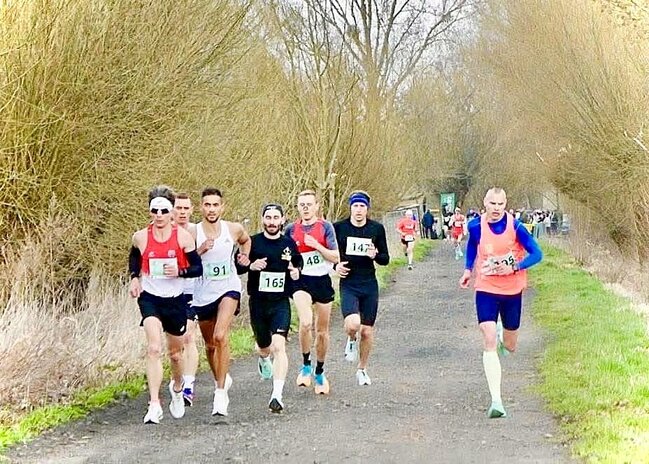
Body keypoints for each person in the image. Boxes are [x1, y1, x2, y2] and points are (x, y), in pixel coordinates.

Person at [459, 187, 543, 419]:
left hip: (512, 290)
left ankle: (501, 334)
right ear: (485, 203)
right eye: (492, 203)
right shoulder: (475, 226)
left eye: (500, 204)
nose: (496, 208)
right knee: (488, 339)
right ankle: (496, 400)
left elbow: (537, 254)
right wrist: (467, 270)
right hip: (486, 287)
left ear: (505, 205)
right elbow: (472, 246)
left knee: (510, 345)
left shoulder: (516, 227)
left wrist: (514, 267)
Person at [129, 186, 202, 424]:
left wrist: (179, 271)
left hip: (175, 300)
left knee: (175, 355)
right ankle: (154, 405)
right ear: (149, 211)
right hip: (150, 298)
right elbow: (134, 256)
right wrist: (134, 278)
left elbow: (197, 268)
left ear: (171, 212)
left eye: (163, 211)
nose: (159, 215)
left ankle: (177, 388)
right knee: (153, 348)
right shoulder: (140, 236)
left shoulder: (183, 237)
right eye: (155, 210)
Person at [191, 187, 251, 417]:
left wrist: (244, 256)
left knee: (220, 336)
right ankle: (221, 378)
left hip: (228, 288)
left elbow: (245, 240)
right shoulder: (192, 231)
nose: (211, 209)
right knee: (209, 345)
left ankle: (220, 393)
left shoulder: (233, 229)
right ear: (201, 207)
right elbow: (184, 259)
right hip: (203, 293)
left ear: (222, 207)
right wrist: (200, 250)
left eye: (215, 205)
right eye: (207, 205)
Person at [237, 203, 302, 413]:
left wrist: (296, 271)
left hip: (280, 303)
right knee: (264, 347)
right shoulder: (252, 242)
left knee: (279, 346)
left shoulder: (288, 244)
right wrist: (250, 265)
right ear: (263, 219)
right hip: (258, 302)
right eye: (268, 218)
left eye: (276, 218)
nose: (272, 222)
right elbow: (237, 266)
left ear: (282, 220)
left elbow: (298, 263)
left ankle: (277, 395)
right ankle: (263, 358)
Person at [284, 190, 340, 395]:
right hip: (301, 281)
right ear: (298, 207)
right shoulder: (291, 230)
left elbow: (335, 257)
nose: (305, 208)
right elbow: (283, 256)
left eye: (309, 204)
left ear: (317, 206)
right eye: (302, 205)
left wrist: (317, 246)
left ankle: (320, 371)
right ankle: (306, 365)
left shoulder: (325, 227)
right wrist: (291, 267)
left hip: (322, 281)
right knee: (306, 322)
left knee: (322, 331)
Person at [333, 191, 390, 386]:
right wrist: (335, 266)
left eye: (362, 206)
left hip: (369, 284)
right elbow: (330, 254)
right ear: (350, 208)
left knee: (366, 331)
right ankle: (351, 339)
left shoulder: (376, 229)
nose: (358, 210)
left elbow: (385, 259)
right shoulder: (339, 228)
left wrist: (375, 255)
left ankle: (362, 369)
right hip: (349, 282)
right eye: (355, 206)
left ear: (367, 209)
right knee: (352, 324)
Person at [172, 193, 199, 407]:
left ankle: (189, 385)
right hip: (170, 293)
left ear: (191, 210)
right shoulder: (163, 233)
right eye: (178, 208)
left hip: (194, 291)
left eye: (185, 208)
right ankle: (177, 379)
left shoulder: (198, 231)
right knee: (175, 341)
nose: (182, 212)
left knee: (189, 337)